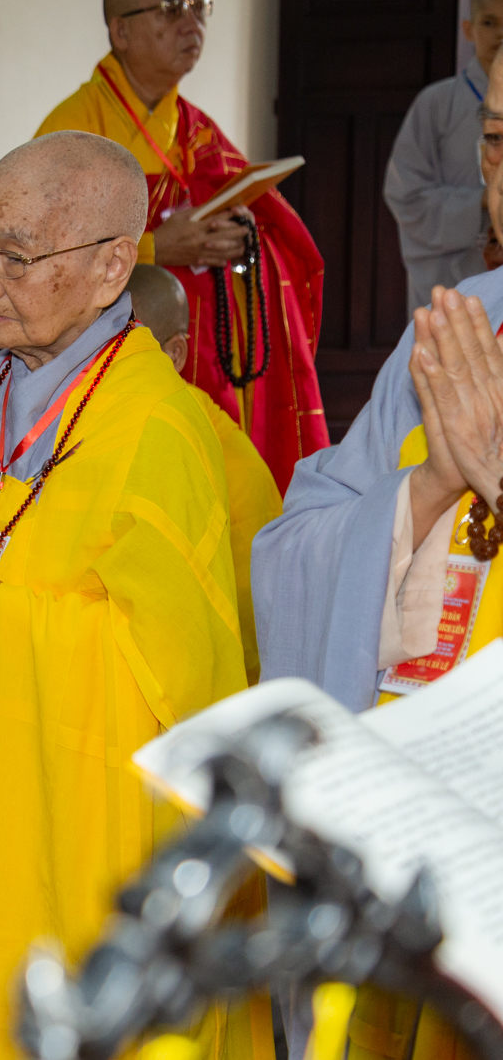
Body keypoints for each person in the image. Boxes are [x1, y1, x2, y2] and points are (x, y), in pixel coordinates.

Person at [0, 131, 255, 1058]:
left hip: (70, 806)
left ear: (111, 267)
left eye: (16, 258)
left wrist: (2, 610)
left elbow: (174, 670)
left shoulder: (156, 427)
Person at [252, 62, 503, 1060]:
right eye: (497, 139)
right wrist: (430, 486)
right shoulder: (459, 325)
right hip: (425, 811)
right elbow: (297, 537)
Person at [38, 0, 327, 490]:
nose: (191, 22)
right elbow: (46, 257)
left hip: (208, 350)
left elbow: (265, 226)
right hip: (124, 353)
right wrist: (153, 249)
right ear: (121, 32)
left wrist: (239, 233)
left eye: (199, 6)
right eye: (172, 8)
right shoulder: (73, 130)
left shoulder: (197, 129)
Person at [128, 263, 280, 681]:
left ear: (175, 354)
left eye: (124, 350)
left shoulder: (225, 456)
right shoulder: (103, 420)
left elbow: (247, 621)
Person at [384, 0, 503, 313]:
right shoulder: (435, 103)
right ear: (468, 29)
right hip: (450, 272)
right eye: (489, 22)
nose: (500, 34)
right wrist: (480, 202)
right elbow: (406, 197)